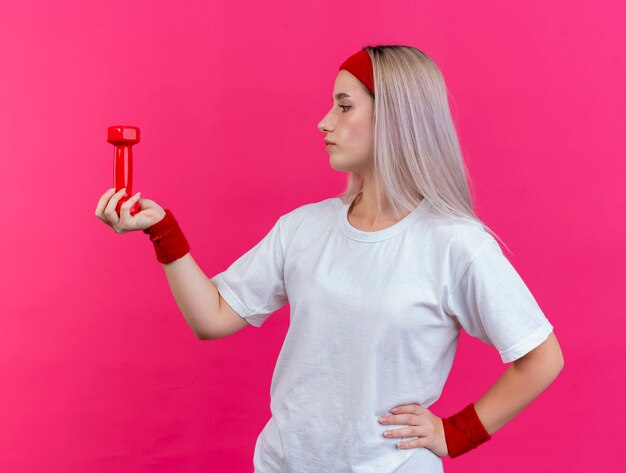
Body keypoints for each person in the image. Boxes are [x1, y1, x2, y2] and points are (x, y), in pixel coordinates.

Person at [95, 45, 564, 473]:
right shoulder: (304, 227)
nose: (324, 122)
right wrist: (162, 231)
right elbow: (212, 318)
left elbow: (542, 358)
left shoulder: (455, 243)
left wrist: (455, 432)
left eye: (343, 107)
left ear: (396, 119)